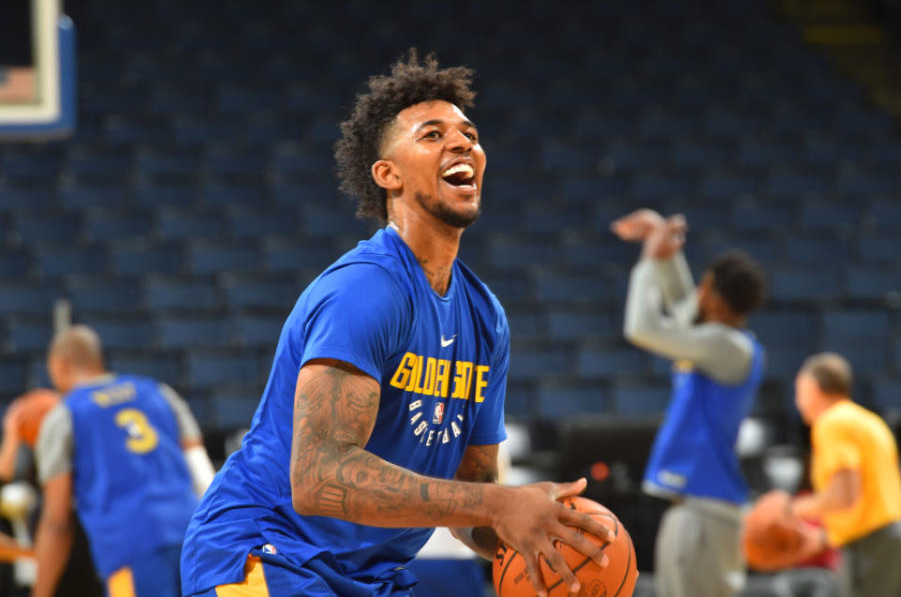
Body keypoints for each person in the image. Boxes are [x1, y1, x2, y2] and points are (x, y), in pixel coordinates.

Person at [180, 51, 611, 597]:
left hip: (368, 575)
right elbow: (319, 479)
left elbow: (471, 494)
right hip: (266, 551)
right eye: (432, 135)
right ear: (388, 174)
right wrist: (499, 504)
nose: (463, 144)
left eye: (470, 134)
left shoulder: (486, 318)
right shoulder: (365, 291)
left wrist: (553, 545)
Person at [612, 208, 767, 597]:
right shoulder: (719, 340)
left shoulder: (727, 346)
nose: (696, 293)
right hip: (697, 509)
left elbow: (642, 327)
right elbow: (685, 306)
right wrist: (666, 250)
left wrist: (650, 258)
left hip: (706, 510)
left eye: (703, 286)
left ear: (714, 296)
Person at [33, 325, 215, 597]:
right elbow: (203, 473)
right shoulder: (160, 392)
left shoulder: (64, 415)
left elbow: (57, 522)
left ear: (60, 364)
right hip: (195, 534)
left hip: (130, 548)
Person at [791, 352, 901, 597]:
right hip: (887, 537)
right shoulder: (864, 419)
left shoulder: (832, 422)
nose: (797, 402)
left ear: (813, 389)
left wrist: (790, 510)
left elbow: (844, 496)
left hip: (872, 543)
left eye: (799, 393)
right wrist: (826, 537)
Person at [0, 391, 102, 597]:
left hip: (82, 568)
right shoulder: (36, 467)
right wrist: (13, 436)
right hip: (41, 573)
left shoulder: (82, 459)